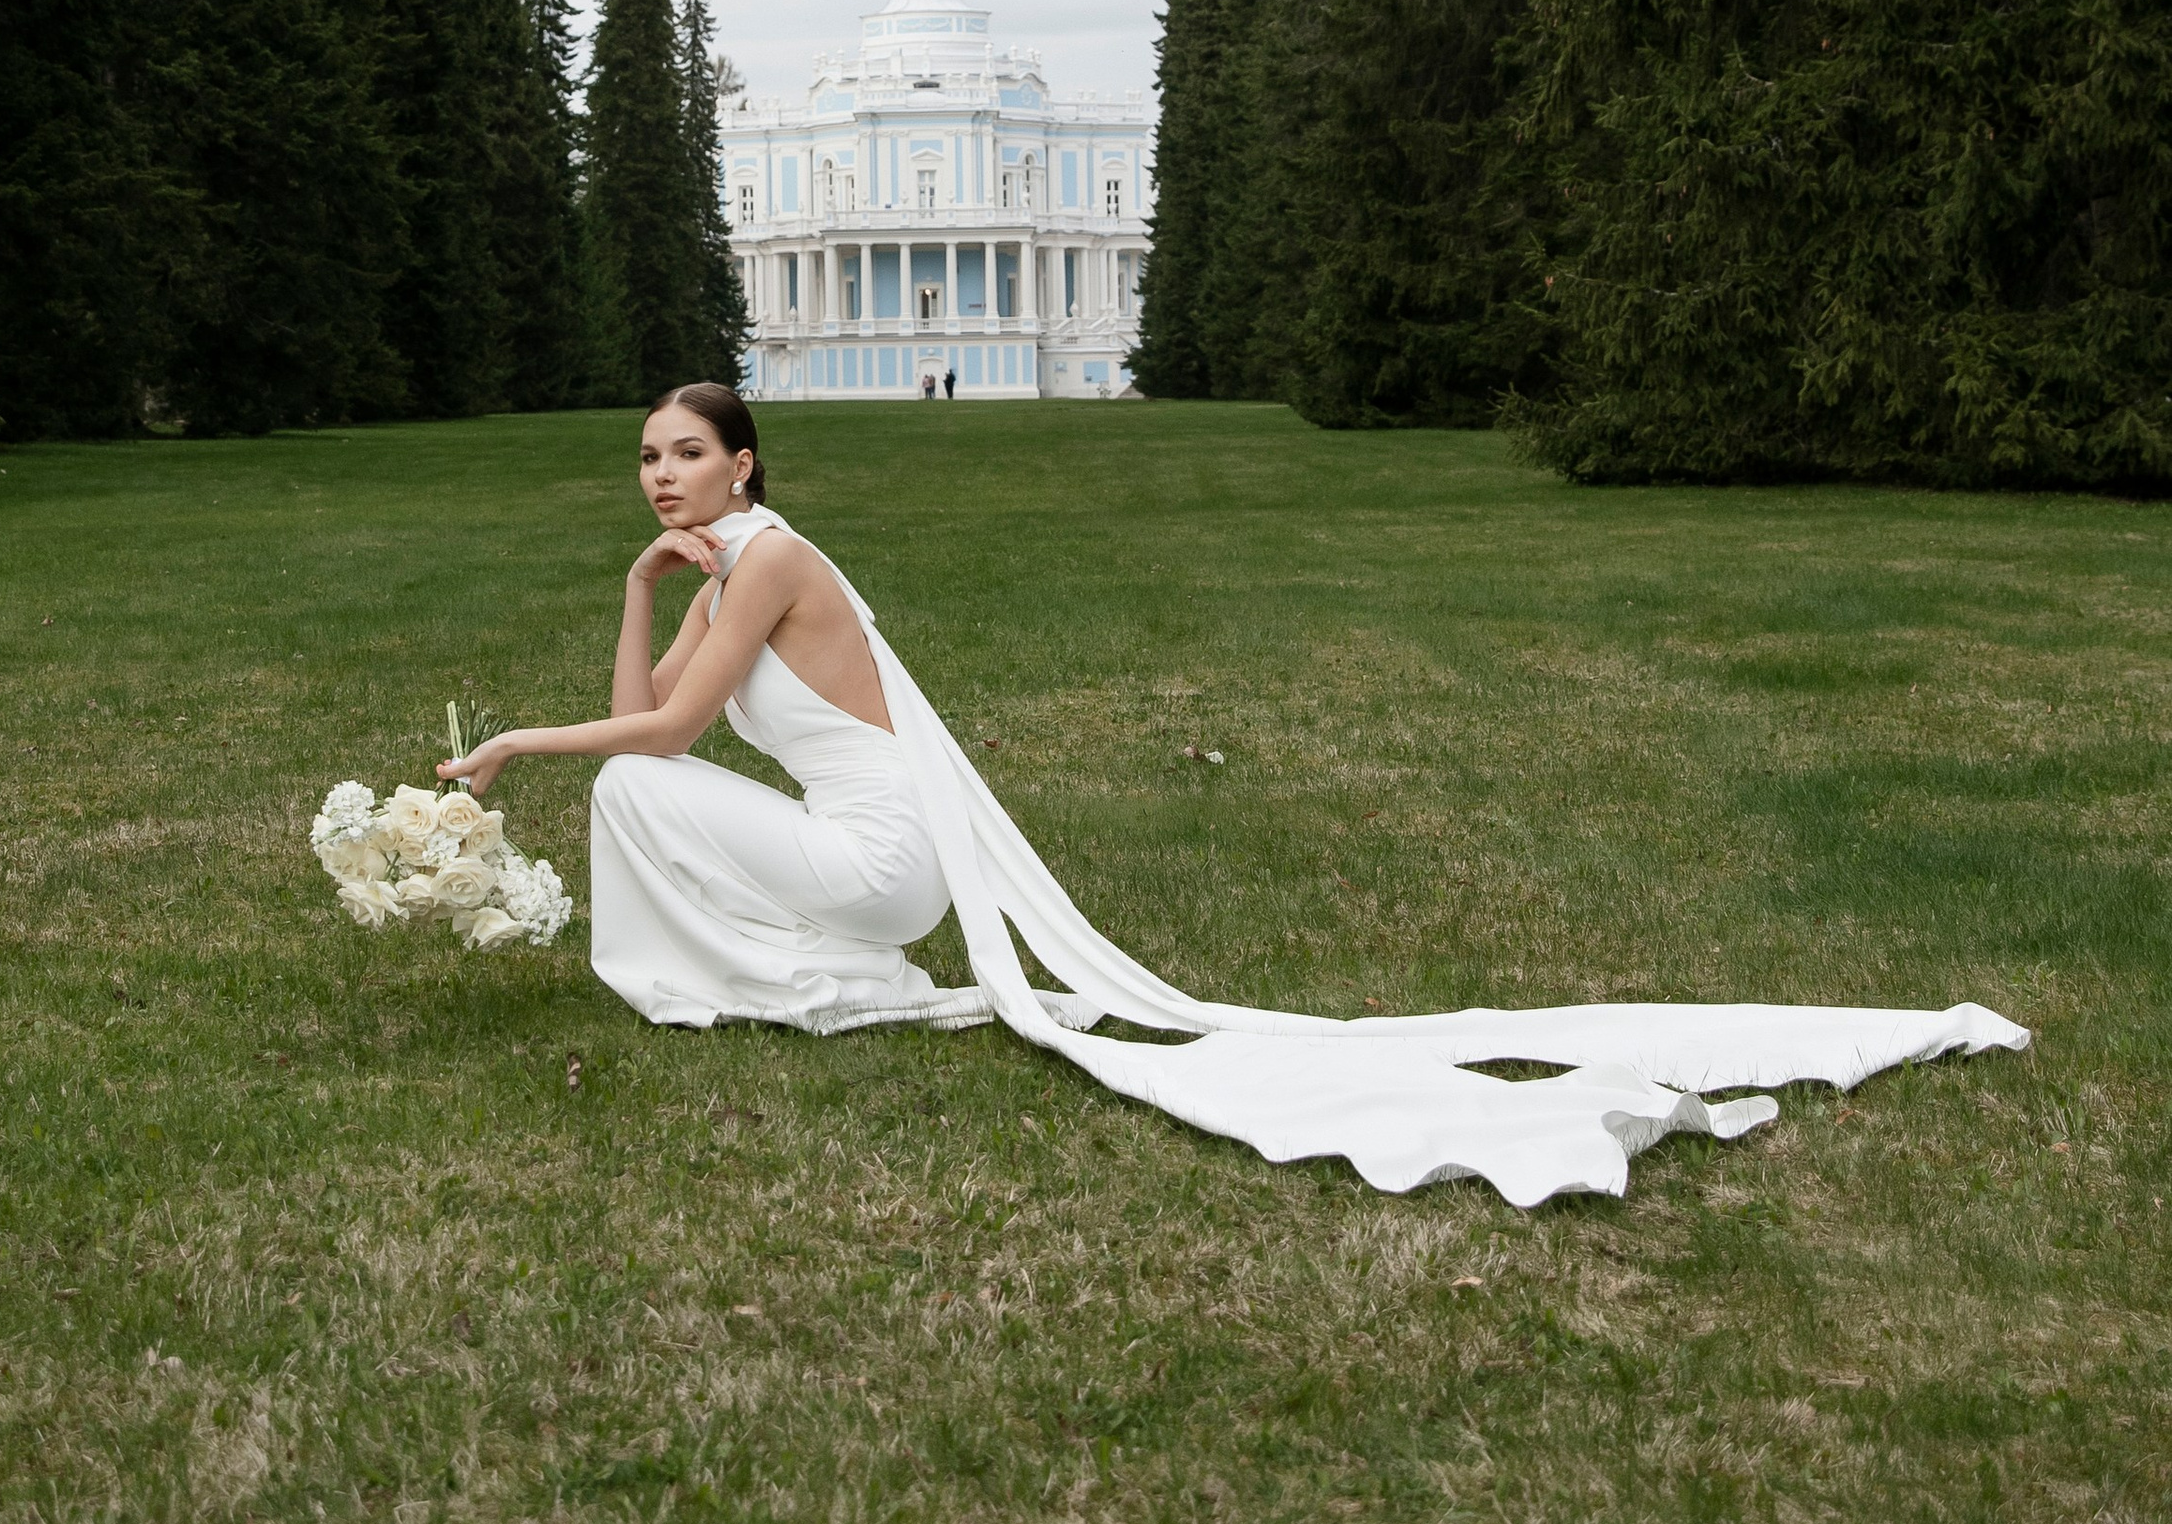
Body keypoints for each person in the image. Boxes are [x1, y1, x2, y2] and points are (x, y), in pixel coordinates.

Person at [448, 388, 2031, 1207]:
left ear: (744, 463)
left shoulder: (776, 556)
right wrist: (638, 584)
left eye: (685, 454)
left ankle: (734, 980)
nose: (661, 474)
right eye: (647, 458)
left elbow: (661, 739)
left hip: (882, 854)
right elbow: (652, 706)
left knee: (633, 791)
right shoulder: (721, 564)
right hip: (883, 861)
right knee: (639, 785)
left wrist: (517, 742)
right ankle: (790, 973)